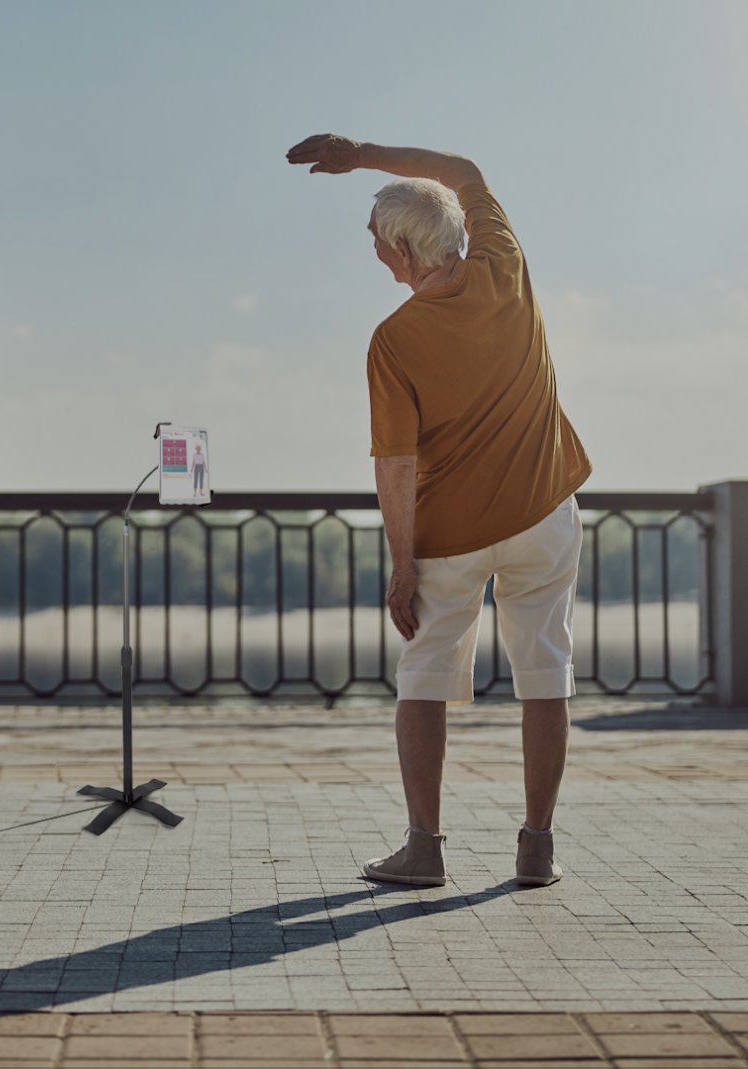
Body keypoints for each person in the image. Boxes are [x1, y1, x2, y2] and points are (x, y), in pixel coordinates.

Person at [287, 135, 591, 888]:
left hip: (451, 536)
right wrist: (358, 154)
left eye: (376, 242)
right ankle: (537, 846)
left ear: (401, 251)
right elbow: (464, 171)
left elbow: (396, 465)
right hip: (544, 513)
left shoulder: (393, 340)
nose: (374, 254)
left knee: (424, 677)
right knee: (545, 674)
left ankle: (424, 849)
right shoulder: (505, 265)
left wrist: (401, 561)